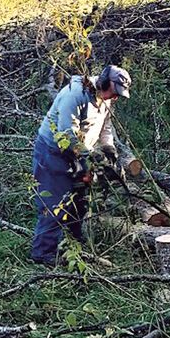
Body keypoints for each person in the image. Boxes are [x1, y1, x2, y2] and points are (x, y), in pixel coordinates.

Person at [30, 64, 132, 266]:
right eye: (114, 93)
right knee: (54, 205)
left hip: (81, 152)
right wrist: (92, 156)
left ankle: (73, 245)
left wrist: (109, 149)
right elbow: (66, 137)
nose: (115, 98)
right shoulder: (74, 95)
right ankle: (43, 254)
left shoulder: (105, 98)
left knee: (79, 201)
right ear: (103, 82)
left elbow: (105, 127)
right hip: (54, 153)